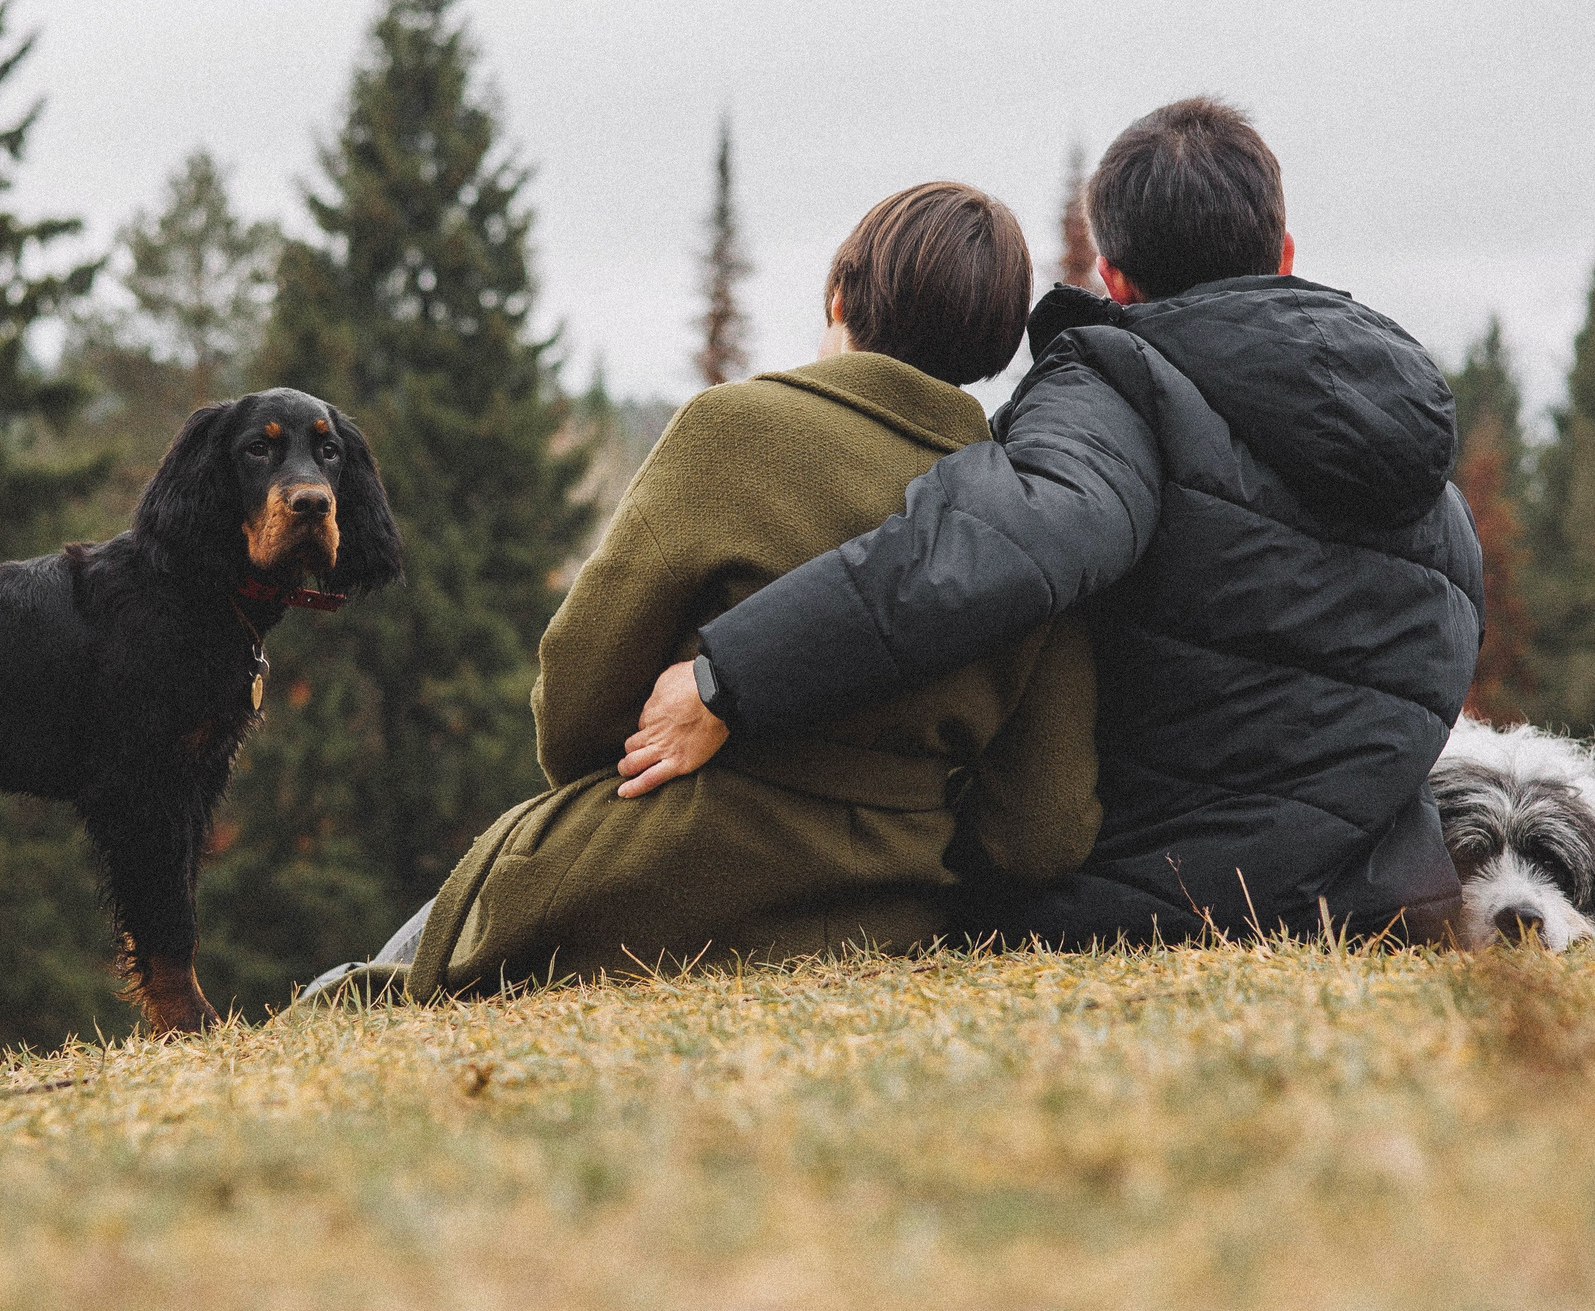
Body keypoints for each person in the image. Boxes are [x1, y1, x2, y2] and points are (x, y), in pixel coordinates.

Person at [619, 99, 1477, 946]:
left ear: (1114, 279)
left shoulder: (1120, 387)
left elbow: (993, 550)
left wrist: (730, 676)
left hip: (1159, 901)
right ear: (1283, 254)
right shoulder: (1421, 463)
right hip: (1386, 901)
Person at [304, 182, 1103, 1003]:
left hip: (650, 890)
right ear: (996, 345)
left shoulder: (733, 430)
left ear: (839, 297)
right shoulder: (1027, 518)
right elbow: (1040, 830)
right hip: (892, 915)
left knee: (349, 997)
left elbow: (575, 711)